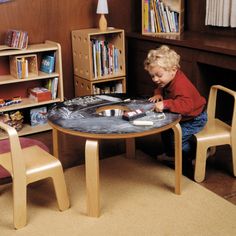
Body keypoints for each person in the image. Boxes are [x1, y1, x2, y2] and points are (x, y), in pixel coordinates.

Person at [144, 45, 207, 162]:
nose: (155, 79)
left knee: (178, 140)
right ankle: (171, 154)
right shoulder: (168, 78)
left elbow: (186, 105)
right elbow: (160, 86)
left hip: (195, 118)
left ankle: (197, 154)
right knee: (165, 130)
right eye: (152, 76)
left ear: (173, 70)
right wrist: (158, 94)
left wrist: (165, 104)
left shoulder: (180, 85)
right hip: (183, 116)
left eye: (159, 75)